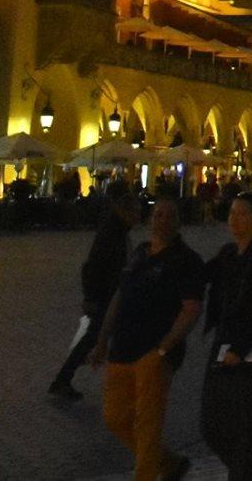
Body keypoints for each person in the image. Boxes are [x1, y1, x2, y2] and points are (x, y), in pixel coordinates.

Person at [91, 200, 207, 481]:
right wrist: (102, 340)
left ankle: (145, 475)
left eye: (169, 215)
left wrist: (164, 348)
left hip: (153, 353)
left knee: (148, 423)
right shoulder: (139, 253)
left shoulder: (187, 260)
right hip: (121, 349)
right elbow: (120, 296)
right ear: (149, 220)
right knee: (115, 418)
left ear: (179, 222)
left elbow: (191, 308)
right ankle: (168, 462)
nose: (162, 220)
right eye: (158, 215)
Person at [200, 196, 252, 481]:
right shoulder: (227, 254)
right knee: (210, 425)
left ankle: (244, 471)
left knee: (245, 427)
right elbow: (199, 275)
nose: (235, 219)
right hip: (223, 345)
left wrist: (241, 348)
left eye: (243, 213)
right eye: (232, 212)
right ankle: (247, 469)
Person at [50, 195, 141, 400]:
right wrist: (90, 297)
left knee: (95, 337)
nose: (138, 217)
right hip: (105, 297)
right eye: (135, 212)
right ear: (123, 211)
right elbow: (92, 267)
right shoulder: (111, 234)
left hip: (110, 295)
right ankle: (64, 379)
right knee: (94, 337)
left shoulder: (117, 231)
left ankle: (70, 375)